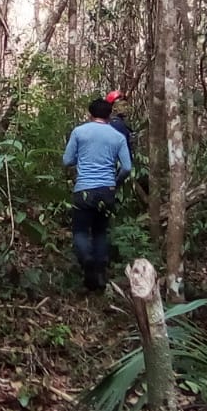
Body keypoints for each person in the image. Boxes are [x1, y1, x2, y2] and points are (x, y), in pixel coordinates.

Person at [63, 96, 133, 291]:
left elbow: (67, 160)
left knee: (80, 231)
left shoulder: (79, 132)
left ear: (90, 114)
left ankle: (87, 261)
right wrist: (115, 183)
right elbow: (127, 167)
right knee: (101, 231)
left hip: (84, 189)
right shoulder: (117, 137)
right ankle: (100, 275)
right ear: (110, 115)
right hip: (107, 191)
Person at [105, 90, 134, 155]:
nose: (126, 108)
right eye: (123, 105)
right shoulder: (116, 124)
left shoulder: (115, 122)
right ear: (114, 107)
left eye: (126, 105)